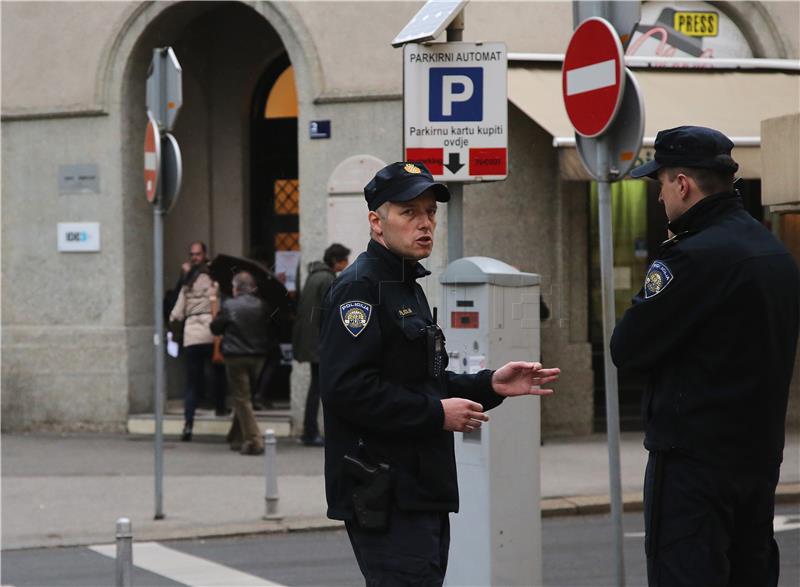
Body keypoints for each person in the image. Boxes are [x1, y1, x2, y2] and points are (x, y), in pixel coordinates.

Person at [319, 161, 561, 585]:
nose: (425, 223)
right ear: (377, 222)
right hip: (384, 492)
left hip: (418, 488)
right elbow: (347, 390)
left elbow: (425, 383)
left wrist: (490, 384)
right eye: (409, 212)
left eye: (430, 212)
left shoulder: (404, 282)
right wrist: (435, 414)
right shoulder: (360, 287)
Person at [610, 126, 800, 586]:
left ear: (682, 184)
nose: (659, 199)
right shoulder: (773, 252)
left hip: (693, 464)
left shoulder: (692, 257)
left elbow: (627, 347)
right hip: (758, 457)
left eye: (661, 185)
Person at [210, 271, 278, 456]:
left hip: (235, 355)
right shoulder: (262, 305)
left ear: (236, 288)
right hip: (258, 356)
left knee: (241, 398)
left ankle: (254, 440)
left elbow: (215, 328)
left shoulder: (229, 305)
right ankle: (236, 436)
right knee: (245, 396)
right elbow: (271, 327)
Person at [292, 243, 351, 447]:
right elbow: (331, 312)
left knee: (316, 387)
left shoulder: (314, 275)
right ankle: (311, 432)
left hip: (310, 341)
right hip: (319, 342)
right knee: (319, 388)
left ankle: (310, 431)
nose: (347, 264)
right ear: (336, 261)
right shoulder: (327, 278)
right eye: (344, 260)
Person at [168, 241, 223, 441]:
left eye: (197, 254)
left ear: (204, 254)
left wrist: (174, 331)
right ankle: (219, 407)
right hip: (211, 332)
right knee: (217, 371)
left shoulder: (187, 281)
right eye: (192, 254)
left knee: (191, 382)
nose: (194, 257)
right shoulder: (213, 278)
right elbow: (220, 303)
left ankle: (188, 424)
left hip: (191, 335)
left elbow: (176, 312)